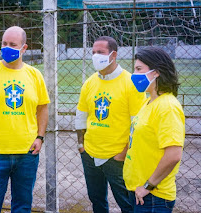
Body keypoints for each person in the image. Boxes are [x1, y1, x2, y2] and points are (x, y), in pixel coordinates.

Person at [0, 26, 50, 213]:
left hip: (27, 153)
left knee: (22, 207)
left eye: (12, 44)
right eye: (4, 43)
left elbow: (43, 108)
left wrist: (40, 137)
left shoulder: (34, 75)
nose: (6, 47)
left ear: (24, 48)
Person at [75, 36, 146, 213]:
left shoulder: (131, 83)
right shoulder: (90, 82)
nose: (95, 56)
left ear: (113, 55)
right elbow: (81, 116)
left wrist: (123, 153)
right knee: (97, 201)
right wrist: (81, 146)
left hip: (117, 157)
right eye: (93, 53)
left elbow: (137, 124)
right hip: (90, 154)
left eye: (100, 52)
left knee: (127, 204)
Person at [123, 47, 185, 212]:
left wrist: (148, 186)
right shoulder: (149, 101)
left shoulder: (168, 107)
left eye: (138, 69)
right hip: (139, 192)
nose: (134, 74)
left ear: (156, 72)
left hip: (153, 197)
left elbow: (173, 155)